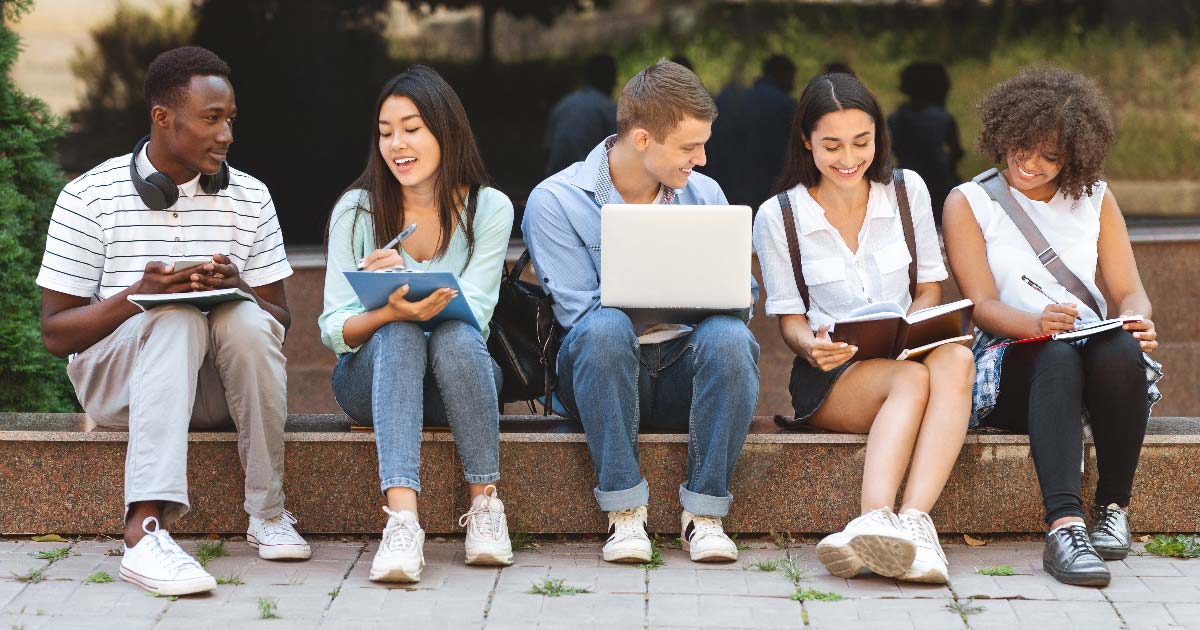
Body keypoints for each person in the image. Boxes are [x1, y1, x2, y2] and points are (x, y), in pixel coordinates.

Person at [36, 46, 309, 596]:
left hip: (216, 391)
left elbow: (281, 320)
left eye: (231, 119)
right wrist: (139, 296)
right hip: (120, 390)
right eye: (212, 119)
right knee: (176, 317)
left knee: (247, 320)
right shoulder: (89, 196)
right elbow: (55, 332)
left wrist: (239, 290)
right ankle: (145, 534)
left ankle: (269, 514)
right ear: (163, 117)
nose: (227, 134)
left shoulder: (251, 197)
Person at [523, 60, 760, 564]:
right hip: (603, 375)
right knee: (604, 327)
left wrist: (723, 297)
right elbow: (578, 315)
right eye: (689, 146)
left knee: (730, 338)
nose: (702, 157)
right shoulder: (556, 201)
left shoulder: (706, 194)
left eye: (703, 143)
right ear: (643, 138)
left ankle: (705, 515)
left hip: (681, 371)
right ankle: (625, 514)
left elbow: (744, 297)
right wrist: (678, 299)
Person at [942, 65, 1161, 587]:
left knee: (1120, 350)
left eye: (1050, 156)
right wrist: (1033, 323)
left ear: (1075, 156)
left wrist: (1137, 318)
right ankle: (1064, 527)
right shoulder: (969, 201)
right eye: (1022, 146)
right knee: (1056, 354)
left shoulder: (1096, 199)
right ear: (1003, 132)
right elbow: (981, 307)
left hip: (1091, 357)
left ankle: (1112, 508)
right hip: (1012, 361)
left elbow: (1129, 288)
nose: (1030, 163)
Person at [752, 72, 974, 584]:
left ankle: (916, 524)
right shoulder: (779, 215)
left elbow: (928, 287)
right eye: (831, 145)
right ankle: (874, 519)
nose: (848, 158)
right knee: (913, 380)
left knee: (958, 358)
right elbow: (789, 320)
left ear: (879, 136)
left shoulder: (906, 190)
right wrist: (811, 347)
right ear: (806, 140)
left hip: (904, 353)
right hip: (835, 378)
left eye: (861, 142)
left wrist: (917, 322)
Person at [320, 66, 516, 583]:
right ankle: (402, 521)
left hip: (460, 380)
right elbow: (333, 327)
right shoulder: (357, 210)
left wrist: (406, 278)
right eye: (386, 133)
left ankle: (487, 510)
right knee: (400, 331)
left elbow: (475, 309)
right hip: (372, 382)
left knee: (454, 332)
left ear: (445, 130)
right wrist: (387, 309)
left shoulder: (489, 208)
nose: (397, 145)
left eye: (411, 128)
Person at [704, 55, 797, 207]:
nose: (792, 84)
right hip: (765, 187)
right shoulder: (784, 106)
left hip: (727, 183)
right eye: (791, 77)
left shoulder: (729, 101)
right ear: (781, 73)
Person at [887, 61, 963, 223]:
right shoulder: (943, 118)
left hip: (905, 184)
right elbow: (957, 152)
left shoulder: (894, 119)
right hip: (940, 184)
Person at [544, 54, 618, 176]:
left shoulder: (564, 104)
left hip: (556, 178)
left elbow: (548, 148)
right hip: (587, 180)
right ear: (610, 79)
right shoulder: (607, 108)